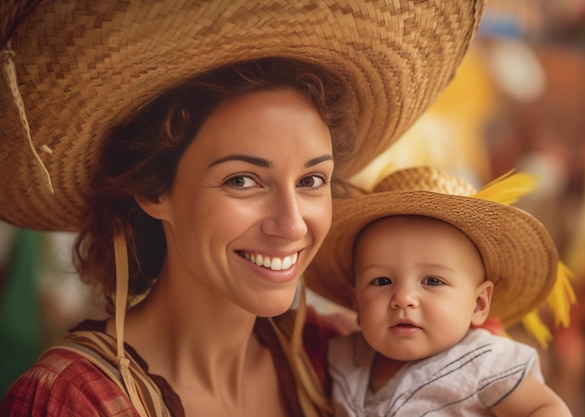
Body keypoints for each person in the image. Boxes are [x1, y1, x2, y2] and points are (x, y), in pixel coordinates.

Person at [0, 1, 487, 416]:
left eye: (312, 180)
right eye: (243, 180)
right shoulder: (69, 400)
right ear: (153, 188)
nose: (292, 223)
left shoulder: (338, 360)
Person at [305, 166, 575, 416]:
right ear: (357, 304)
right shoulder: (342, 357)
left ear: (479, 304)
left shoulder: (483, 362)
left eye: (432, 281)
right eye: (382, 281)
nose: (403, 298)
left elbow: (546, 407)